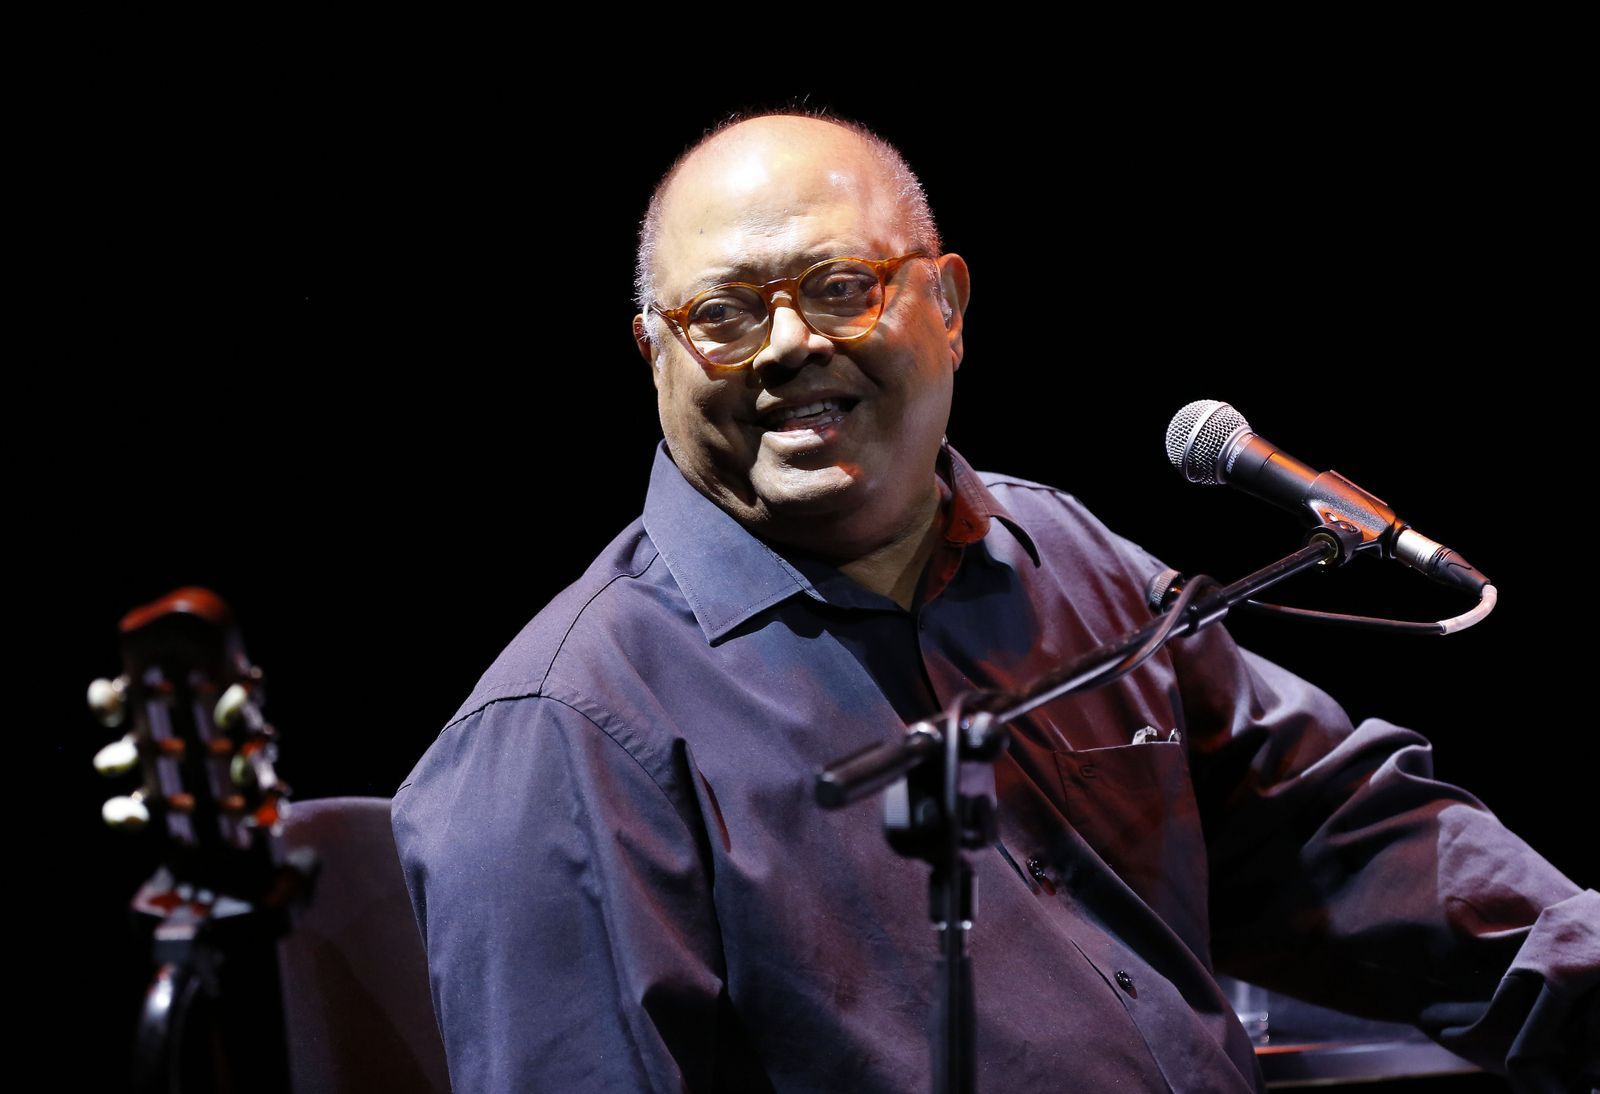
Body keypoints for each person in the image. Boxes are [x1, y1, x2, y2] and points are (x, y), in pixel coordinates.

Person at [391, 112, 1597, 1092]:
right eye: (723, 314)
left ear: (951, 307)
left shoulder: (1069, 559)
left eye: (841, 285)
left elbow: (1343, 832)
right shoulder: (563, 733)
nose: (787, 344)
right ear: (653, 352)